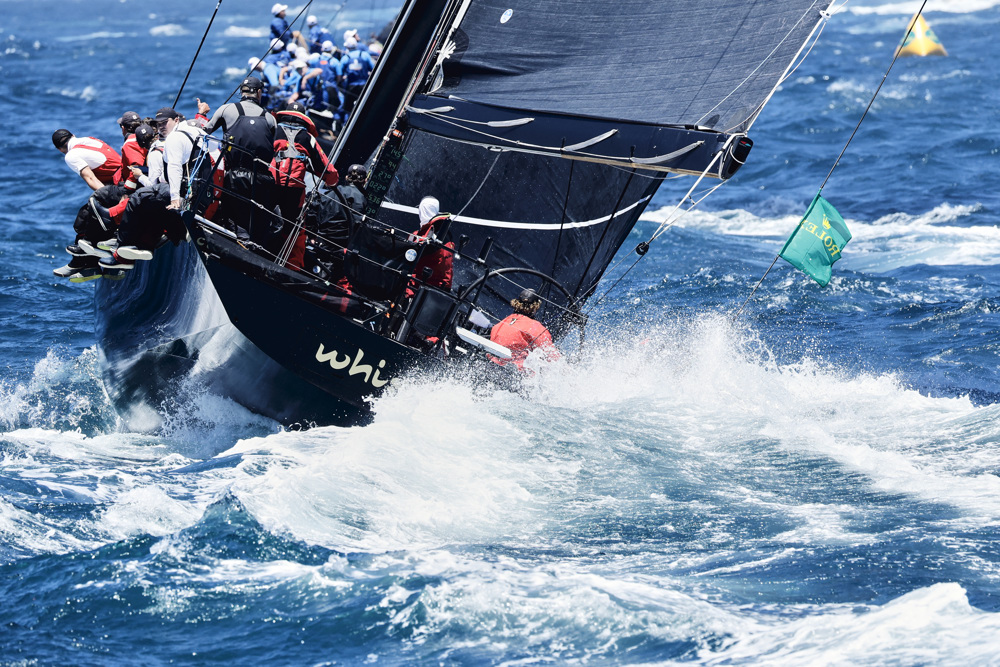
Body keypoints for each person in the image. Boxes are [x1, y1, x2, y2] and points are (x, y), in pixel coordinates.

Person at [203, 76, 278, 246]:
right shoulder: (270, 118)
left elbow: (203, 131)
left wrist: (200, 114)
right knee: (258, 222)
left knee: (232, 217)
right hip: (262, 178)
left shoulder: (226, 109)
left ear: (241, 92)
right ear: (259, 93)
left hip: (234, 177)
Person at [270, 101, 339, 269]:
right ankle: (291, 268)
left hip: (270, 186)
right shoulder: (308, 138)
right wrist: (333, 181)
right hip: (293, 193)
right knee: (295, 231)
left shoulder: (273, 130)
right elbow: (329, 173)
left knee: (265, 218)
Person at [489, 289, 561, 371]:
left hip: (492, 366)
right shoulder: (535, 327)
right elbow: (553, 357)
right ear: (535, 308)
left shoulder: (500, 324)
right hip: (516, 373)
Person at [405, 196, 453, 297]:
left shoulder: (437, 233)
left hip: (424, 287)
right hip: (438, 290)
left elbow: (424, 250)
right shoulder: (443, 231)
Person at [52, 129, 122, 191]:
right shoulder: (90, 139)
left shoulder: (71, 155)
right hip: (127, 171)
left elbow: (91, 179)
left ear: (59, 149)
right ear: (73, 136)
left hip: (122, 182)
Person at [339, 37, 375, 118]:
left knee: (348, 109)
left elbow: (339, 73)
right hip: (365, 85)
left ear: (347, 47)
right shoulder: (365, 55)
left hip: (351, 87)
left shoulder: (345, 58)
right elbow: (373, 68)